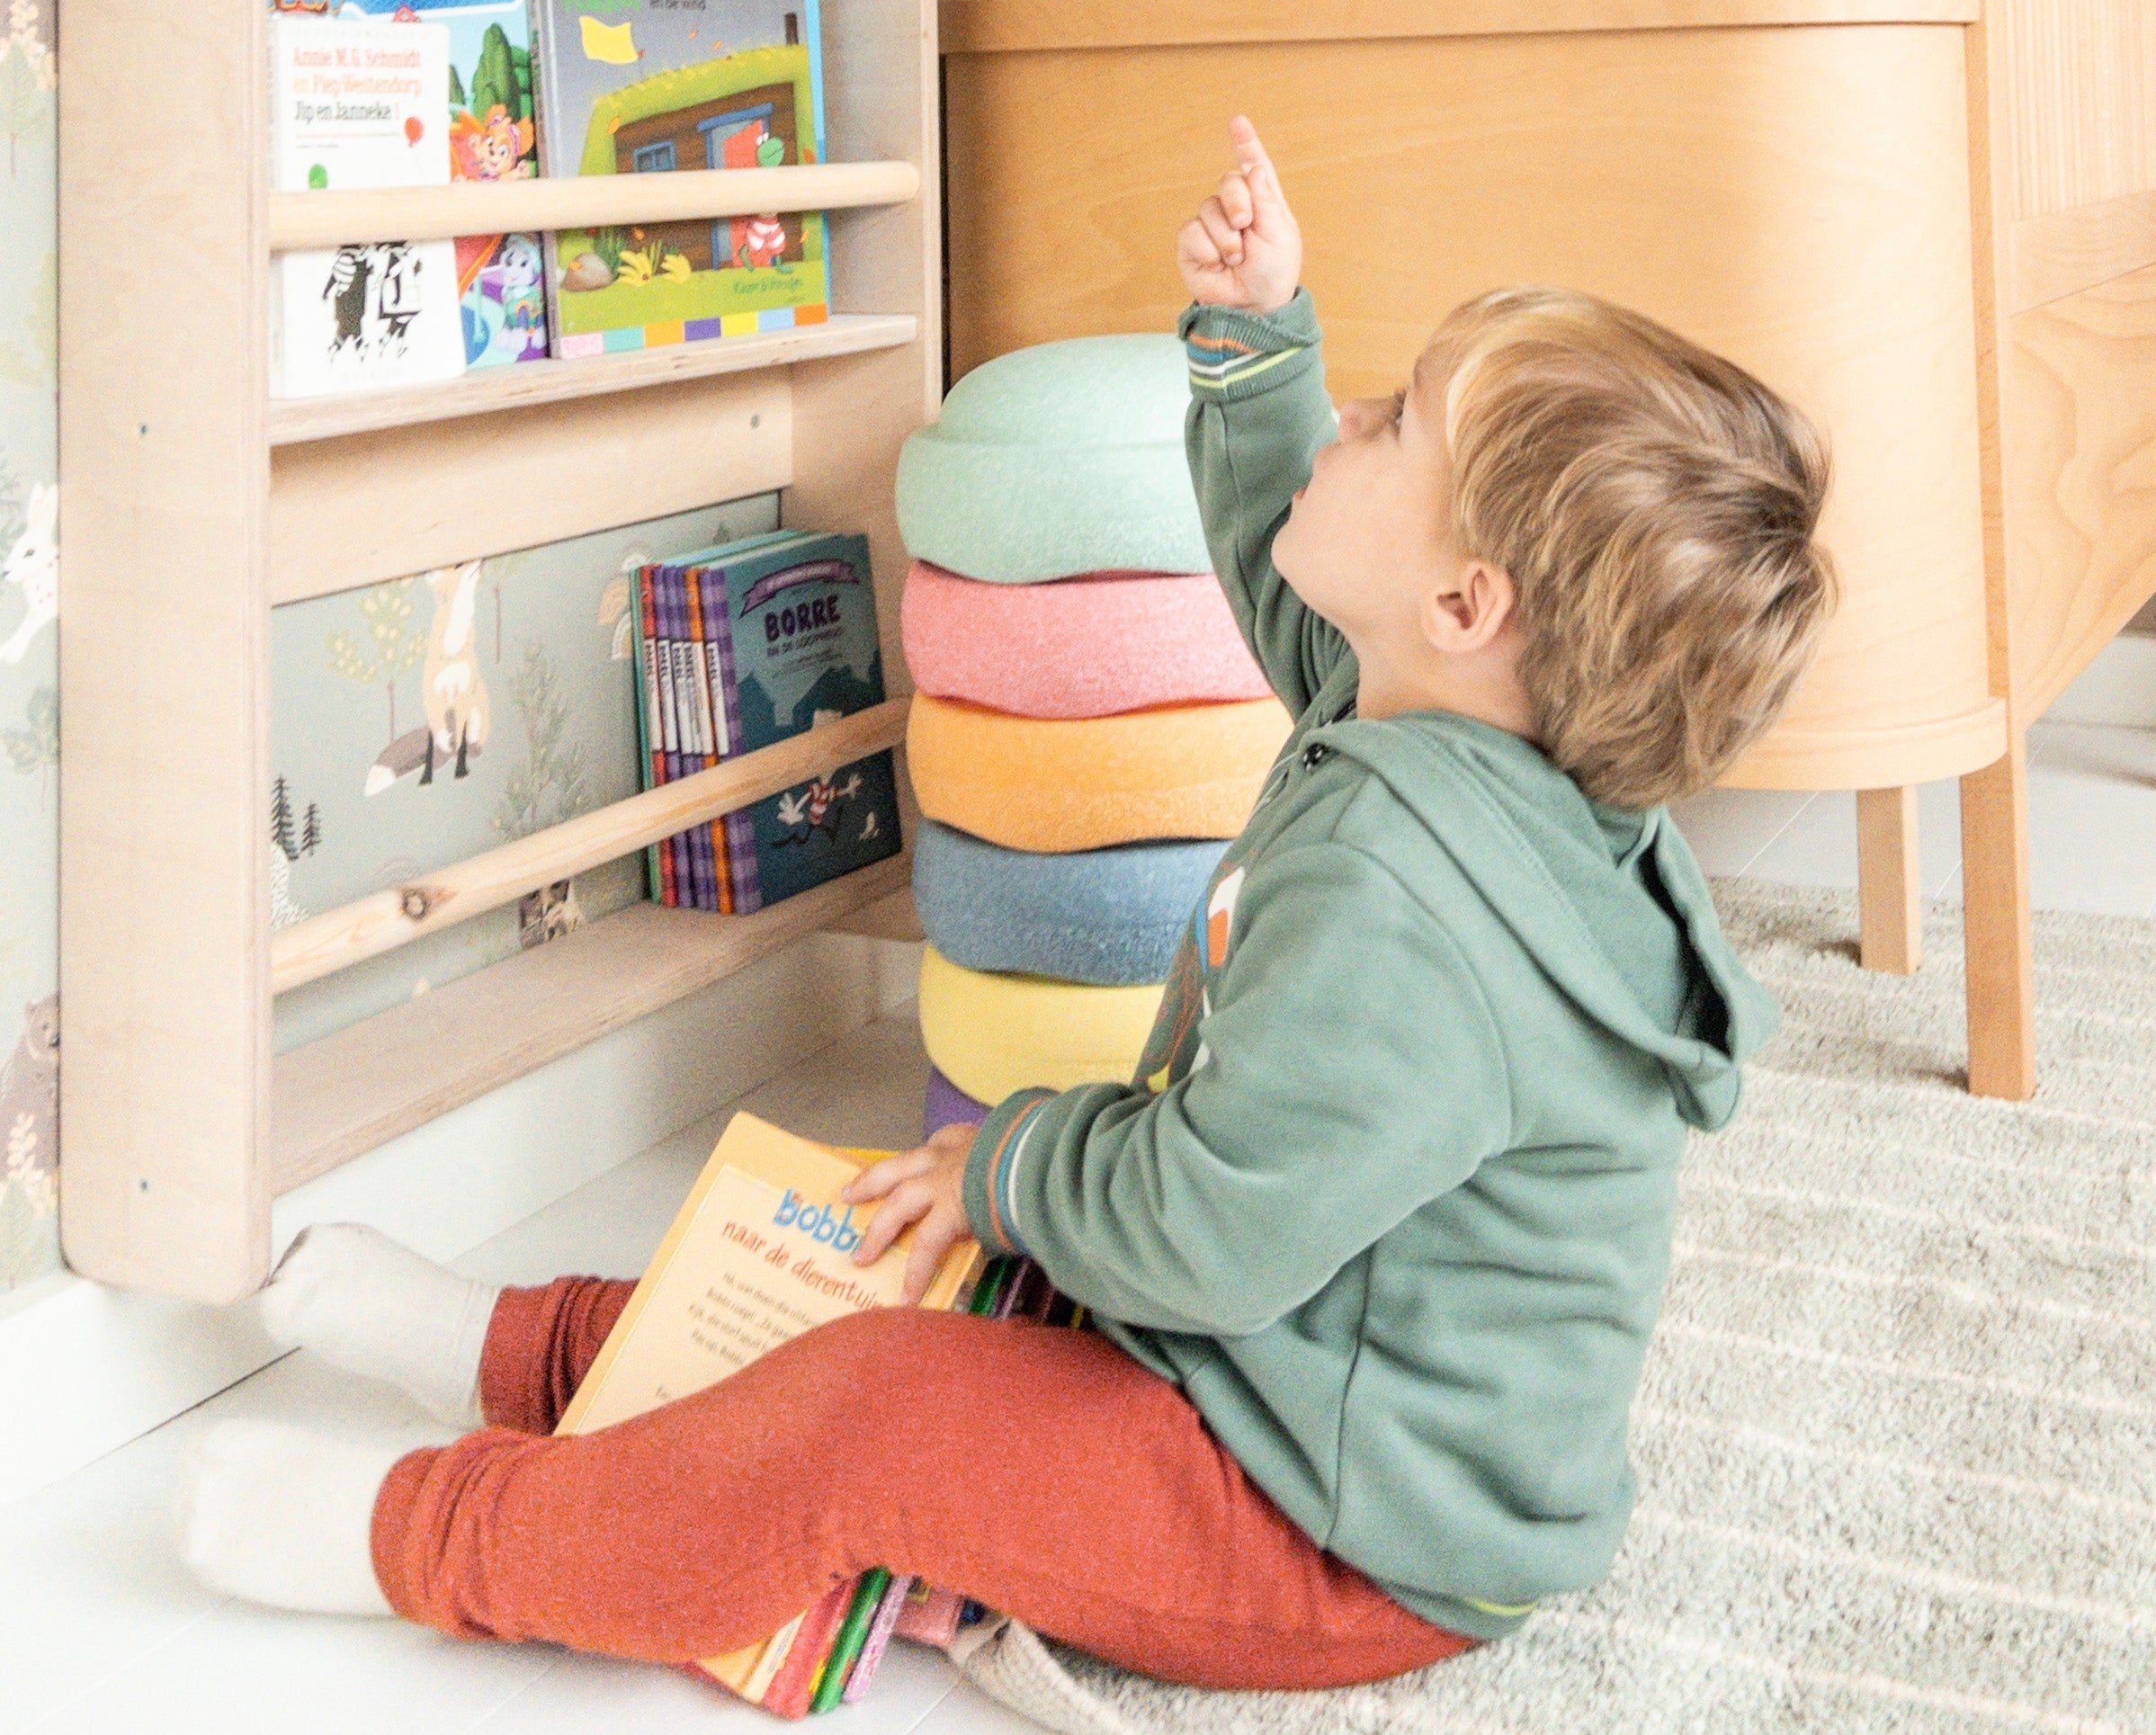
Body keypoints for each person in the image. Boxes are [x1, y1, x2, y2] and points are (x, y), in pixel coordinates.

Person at [177, 113, 1834, 1692]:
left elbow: (1205, 1228)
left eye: (1393, 423)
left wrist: (1022, 1162)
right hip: (1276, 1362)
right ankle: (522, 1353)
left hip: (1339, 1528)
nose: (1352, 422)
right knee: (895, 1245)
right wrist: (1257, 345)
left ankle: (434, 1539)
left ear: (1470, 603)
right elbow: (1295, 571)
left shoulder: (1415, 900)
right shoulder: (1449, 719)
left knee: (880, 1415)